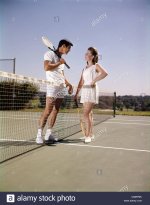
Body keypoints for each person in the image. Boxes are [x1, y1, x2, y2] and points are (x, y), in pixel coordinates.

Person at [36, 39, 73, 144]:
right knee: (48, 110)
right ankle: (39, 135)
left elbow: (61, 75)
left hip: (61, 87)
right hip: (52, 86)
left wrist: (68, 84)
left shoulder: (61, 58)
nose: (69, 51)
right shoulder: (49, 54)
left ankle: (49, 133)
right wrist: (58, 63)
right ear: (63, 46)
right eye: (69, 48)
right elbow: (46, 67)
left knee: (56, 110)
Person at [74, 47, 108, 143]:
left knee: (85, 114)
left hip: (92, 90)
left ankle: (87, 135)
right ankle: (91, 134)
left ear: (92, 56)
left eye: (88, 53)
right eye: (86, 53)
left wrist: (94, 80)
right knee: (89, 114)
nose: (85, 54)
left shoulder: (95, 66)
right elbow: (81, 82)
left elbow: (105, 73)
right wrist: (76, 93)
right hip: (85, 90)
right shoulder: (84, 68)